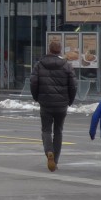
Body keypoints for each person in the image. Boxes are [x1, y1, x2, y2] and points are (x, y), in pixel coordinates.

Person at [30, 38, 77, 171]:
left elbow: (33, 82)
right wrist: (70, 100)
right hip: (61, 104)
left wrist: (36, 97)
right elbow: (73, 85)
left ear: (49, 50)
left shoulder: (39, 64)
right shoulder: (67, 65)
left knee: (46, 130)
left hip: (45, 103)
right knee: (58, 131)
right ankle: (55, 160)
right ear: (60, 51)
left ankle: (49, 151)